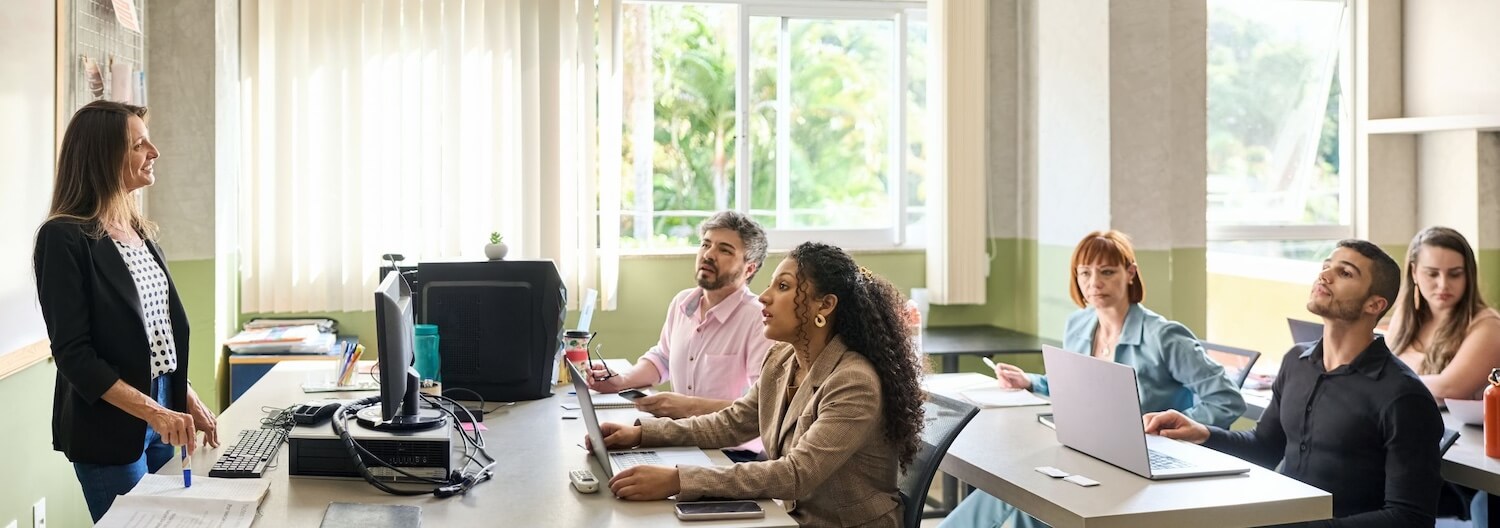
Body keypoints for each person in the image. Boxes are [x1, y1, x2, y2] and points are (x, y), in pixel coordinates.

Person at [588, 242, 926, 527]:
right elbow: (733, 422)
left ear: (825, 305)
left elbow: (796, 475)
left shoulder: (853, 382)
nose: (764, 297)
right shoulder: (782, 359)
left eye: (782, 287)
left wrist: (679, 479)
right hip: (790, 518)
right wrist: (642, 433)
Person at [942, 230, 1244, 528]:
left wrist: (1172, 429)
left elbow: (1226, 399)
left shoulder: (1164, 336)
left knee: (1032, 498)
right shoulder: (1079, 323)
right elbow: (1077, 386)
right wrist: (1032, 381)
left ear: (1130, 273)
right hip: (1092, 450)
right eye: (1084, 273)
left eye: (1107, 272)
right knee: (1016, 487)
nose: (1094, 283)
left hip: (1142, 461)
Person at [1145, 240, 1444, 526]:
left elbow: (1410, 518)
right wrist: (1201, 433)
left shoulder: (1403, 397)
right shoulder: (1296, 361)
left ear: (1374, 304)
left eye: (1345, 273)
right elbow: (1265, 447)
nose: (1325, 274)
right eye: (1327, 266)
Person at [34, 101, 220, 522]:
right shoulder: (63, 238)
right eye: (139, 144)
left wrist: (182, 397)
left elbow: (156, 335)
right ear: (104, 157)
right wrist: (154, 410)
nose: (154, 151)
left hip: (158, 411)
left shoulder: (139, 231)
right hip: (109, 427)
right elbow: (75, 357)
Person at [584, 211, 775, 461]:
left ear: (749, 268)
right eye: (706, 244)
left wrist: (688, 407)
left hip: (731, 452)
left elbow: (763, 408)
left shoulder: (759, 319)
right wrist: (622, 380)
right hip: (682, 439)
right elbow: (662, 358)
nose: (708, 254)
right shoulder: (682, 303)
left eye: (725, 250)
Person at [1388, 226, 1500, 401]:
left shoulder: (1488, 325)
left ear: (1468, 275)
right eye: (1432, 274)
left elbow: (1449, 387)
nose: (1443, 284)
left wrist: (1387, 381)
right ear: (1414, 272)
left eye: (1455, 274)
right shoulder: (1404, 317)